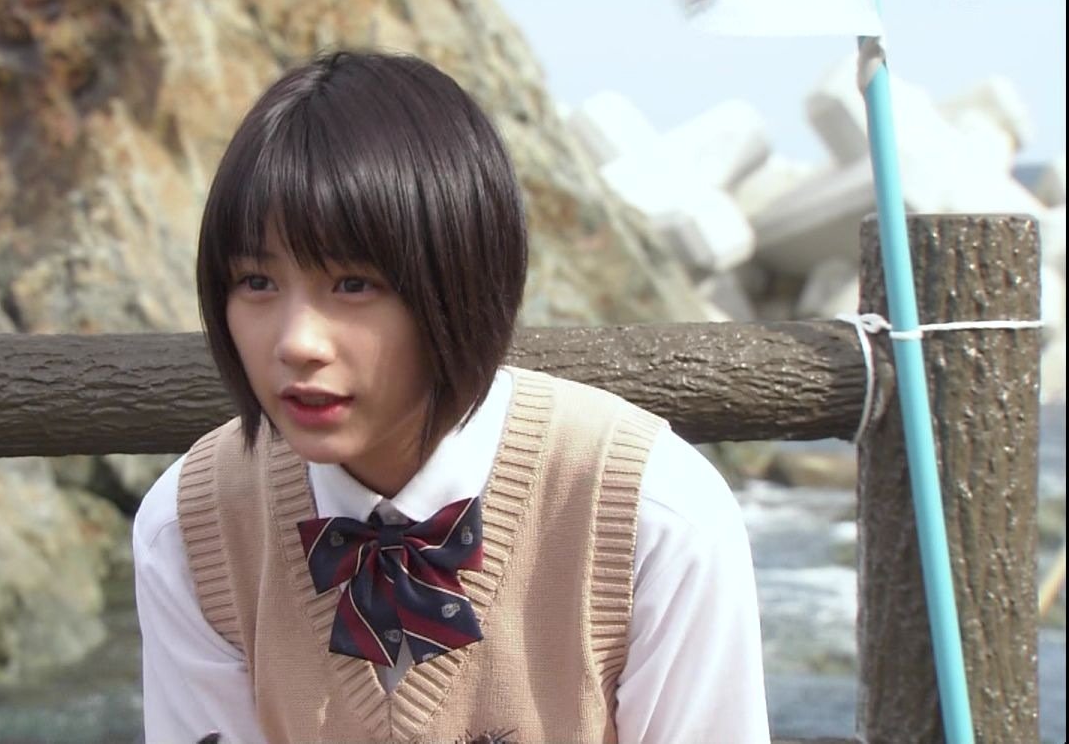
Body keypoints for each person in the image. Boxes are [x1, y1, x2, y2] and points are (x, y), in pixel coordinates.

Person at [132, 50, 770, 743]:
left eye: (353, 284)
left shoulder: (654, 513)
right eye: (257, 282)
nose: (297, 342)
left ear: (463, 278)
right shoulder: (192, 523)